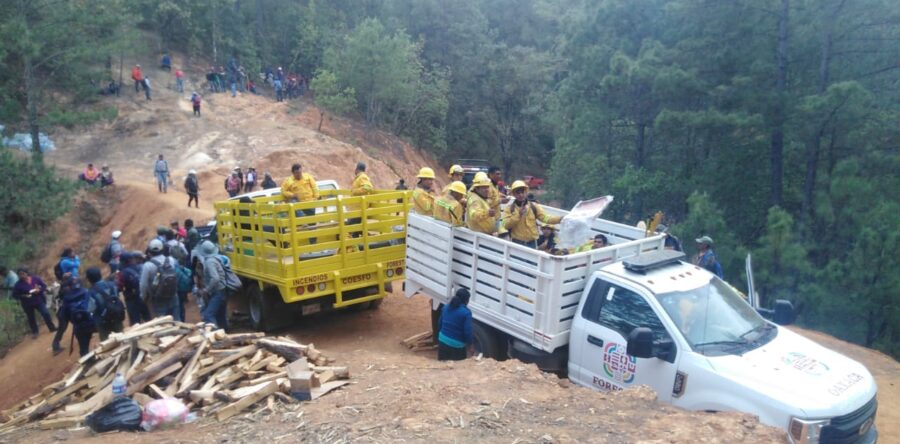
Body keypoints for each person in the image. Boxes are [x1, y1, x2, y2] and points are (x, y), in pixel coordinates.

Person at [503, 181, 562, 249]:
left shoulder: (534, 206)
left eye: (522, 192)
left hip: (532, 244)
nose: (521, 194)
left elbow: (545, 218)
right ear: (513, 194)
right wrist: (518, 215)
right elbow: (505, 225)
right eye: (518, 192)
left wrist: (560, 219)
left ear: (526, 192)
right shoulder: (509, 209)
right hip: (517, 244)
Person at [52, 277, 95, 356]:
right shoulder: (79, 291)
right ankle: (55, 346)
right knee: (62, 328)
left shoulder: (69, 293)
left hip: (67, 312)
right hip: (64, 312)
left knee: (74, 326)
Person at [140, 239, 180, 320]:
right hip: (173, 295)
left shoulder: (147, 266)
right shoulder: (171, 260)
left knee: (163, 323)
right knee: (177, 320)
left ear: (150, 251)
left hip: (158, 298)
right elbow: (177, 275)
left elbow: (143, 285)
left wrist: (143, 297)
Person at [12, 269, 56, 338]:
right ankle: (35, 332)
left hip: (38, 300)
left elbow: (44, 286)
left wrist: (39, 290)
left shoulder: (35, 279)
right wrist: (23, 296)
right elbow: (15, 295)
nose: (22, 276)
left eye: (23, 273)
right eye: (20, 274)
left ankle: (52, 327)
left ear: (26, 273)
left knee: (45, 313)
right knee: (31, 318)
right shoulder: (18, 285)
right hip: (27, 303)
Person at [195, 241, 228, 329]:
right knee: (220, 316)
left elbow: (215, 278)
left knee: (208, 315)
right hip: (222, 290)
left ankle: (215, 335)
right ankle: (226, 333)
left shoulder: (209, 262)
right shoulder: (217, 259)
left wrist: (206, 290)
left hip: (217, 292)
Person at [85, 267, 124, 341]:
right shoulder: (112, 284)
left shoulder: (91, 292)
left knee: (107, 343)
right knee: (122, 338)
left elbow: (91, 309)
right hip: (117, 315)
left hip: (103, 322)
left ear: (89, 279)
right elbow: (117, 297)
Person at [438, 288, 473, 361]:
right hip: (457, 346)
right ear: (466, 300)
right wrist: (470, 345)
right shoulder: (466, 313)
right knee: (457, 369)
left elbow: (439, 323)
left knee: (442, 367)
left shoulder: (446, 307)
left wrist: (443, 336)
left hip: (442, 340)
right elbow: (467, 332)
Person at [121, 252, 152, 326]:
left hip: (131, 299)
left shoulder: (123, 273)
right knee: (148, 318)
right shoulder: (140, 267)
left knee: (135, 322)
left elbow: (120, 287)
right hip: (142, 296)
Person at [349, 162, 374, 235]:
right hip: (356, 209)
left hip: (359, 208)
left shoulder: (362, 177)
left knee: (353, 229)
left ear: (357, 169)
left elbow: (368, 187)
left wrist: (355, 191)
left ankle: (355, 245)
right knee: (354, 229)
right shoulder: (359, 178)